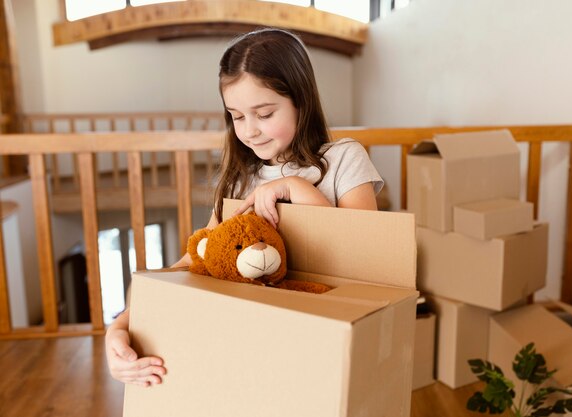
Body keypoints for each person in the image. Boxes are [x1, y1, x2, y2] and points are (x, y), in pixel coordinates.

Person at [105, 28, 384, 387]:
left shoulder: (344, 159)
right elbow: (196, 260)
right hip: (251, 350)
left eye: (264, 113)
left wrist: (294, 187)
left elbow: (367, 258)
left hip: (324, 350)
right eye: (237, 116)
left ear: (302, 100)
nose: (250, 131)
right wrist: (120, 325)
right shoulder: (240, 179)